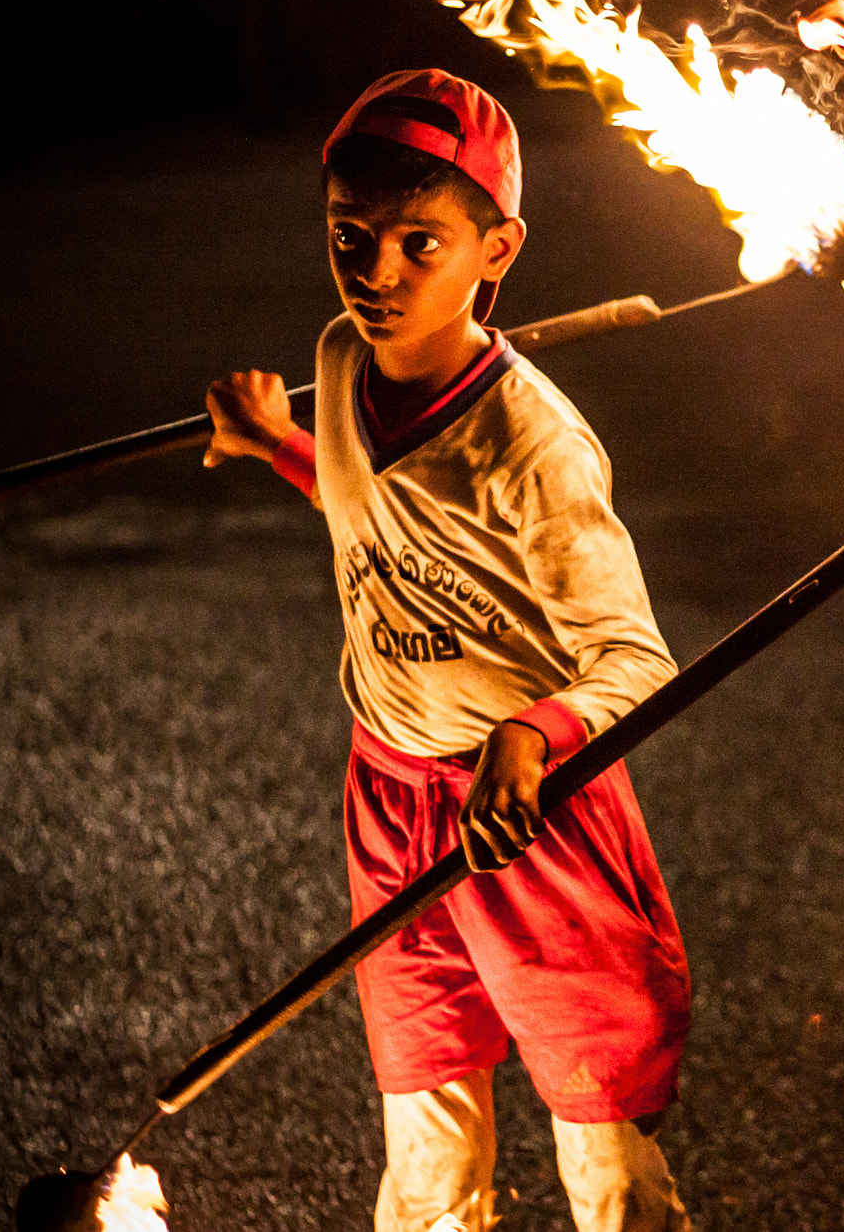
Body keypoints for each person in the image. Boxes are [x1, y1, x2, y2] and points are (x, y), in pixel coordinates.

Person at [203, 68, 690, 1232]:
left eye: (419, 244)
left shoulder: (535, 444)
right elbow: (367, 502)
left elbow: (635, 660)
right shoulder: (335, 359)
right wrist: (277, 440)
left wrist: (531, 733)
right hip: (390, 798)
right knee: (425, 1147)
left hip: (528, 807)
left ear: (497, 248)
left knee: (599, 1150)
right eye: (350, 238)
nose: (375, 274)